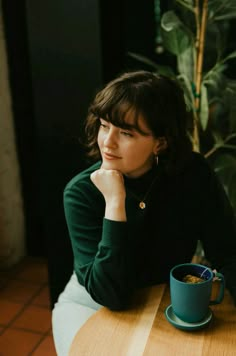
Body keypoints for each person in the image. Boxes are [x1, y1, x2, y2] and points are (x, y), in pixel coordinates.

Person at [52, 70, 236, 355]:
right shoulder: (81, 193)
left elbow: (228, 251)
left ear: (160, 142)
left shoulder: (193, 175)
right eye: (104, 126)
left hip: (163, 301)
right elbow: (112, 295)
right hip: (92, 302)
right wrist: (114, 203)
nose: (107, 142)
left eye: (125, 132)